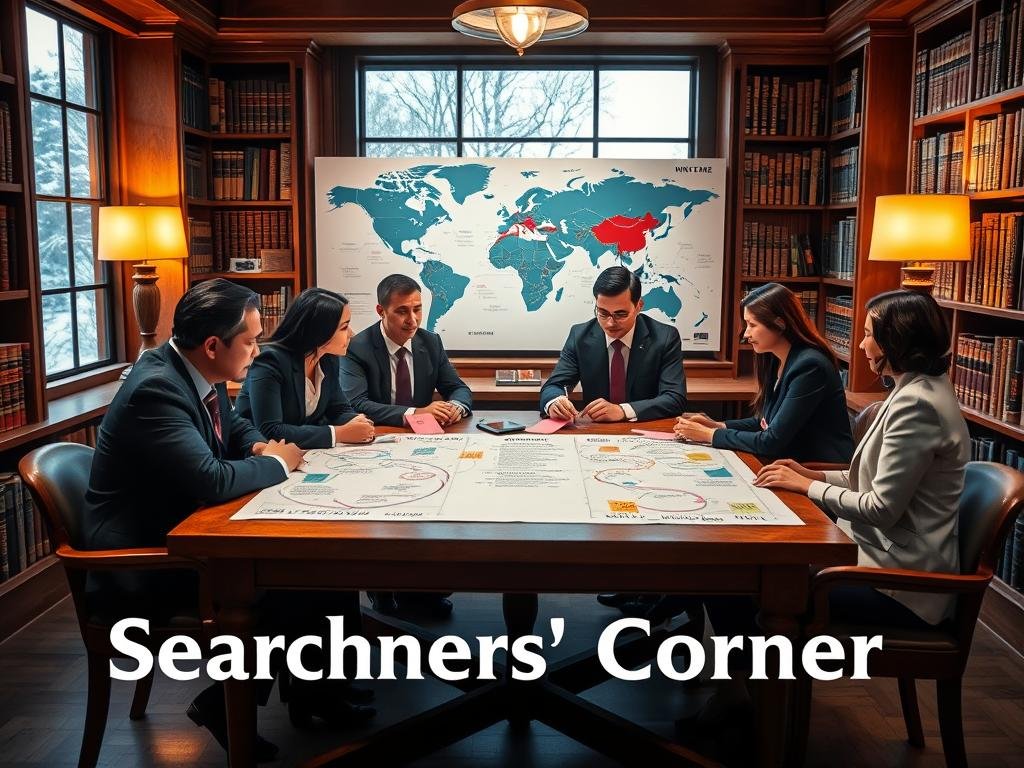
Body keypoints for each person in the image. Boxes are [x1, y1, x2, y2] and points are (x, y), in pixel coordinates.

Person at [83, 280, 372, 762]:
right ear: (214, 344)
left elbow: (234, 426)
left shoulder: (196, 367)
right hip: (146, 564)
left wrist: (259, 447)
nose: (259, 349)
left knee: (324, 569)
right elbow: (211, 479)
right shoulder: (156, 387)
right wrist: (281, 462)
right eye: (252, 340)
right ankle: (224, 705)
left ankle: (316, 694)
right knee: (294, 579)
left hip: (184, 528)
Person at [755, 289, 970, 628]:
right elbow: (871, 478)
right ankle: (749, 670)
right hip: (875, 560)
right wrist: (812, 476)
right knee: (763, 574)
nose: (861, 345)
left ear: (895, 342)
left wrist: (808, 485)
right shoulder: (913, 390)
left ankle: (758, 671)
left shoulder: (918, 406)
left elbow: (881, 508)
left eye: (869, 335)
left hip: (897, 585)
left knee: (763, 586)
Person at [340, 273, 470, 618]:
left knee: (426, 516)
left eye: (417, 309)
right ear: (381, 310)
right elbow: (357, 403)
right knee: (385, 520)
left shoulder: (431, 342)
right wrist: (415, 412)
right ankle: (382, 589)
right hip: (375, 443)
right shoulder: (358, 347)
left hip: (425, 446)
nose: (412, 320)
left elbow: (458, 387)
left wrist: (455, 406)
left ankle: (422, 590)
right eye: (401, 312)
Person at [675, 282, 854, 464]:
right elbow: (764, 422)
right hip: (789, 462)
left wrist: (710, 435)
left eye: (752, 325)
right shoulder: (775, 358)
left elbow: (771, 441)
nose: (745, 334)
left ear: (780, 323)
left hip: (816, 468)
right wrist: (718, 425)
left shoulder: (810, 366)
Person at [540, 265, 687, 423]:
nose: (610, 323)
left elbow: (674, 398)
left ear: (639, 307)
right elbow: (553, 386)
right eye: (602, 313)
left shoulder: (665, 338)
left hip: (646, 427)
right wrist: (554, 402)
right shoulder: (579, 336)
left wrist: (622, 410)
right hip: (596, 432)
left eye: (620, 314)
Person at [235, 287, 375, 448]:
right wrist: (339, 433)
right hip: (257, 454)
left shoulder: (328, 358)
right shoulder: (269, 361)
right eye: (344, 327)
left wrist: (356, 421)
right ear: (320, 331)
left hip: (304, 453)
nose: (351, 334)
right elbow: (270, 430)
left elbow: (337, 408)